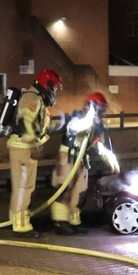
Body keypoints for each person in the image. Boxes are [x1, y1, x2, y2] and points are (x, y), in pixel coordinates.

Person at [51, 92, 119, 235]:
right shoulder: (79, 117)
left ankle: (74, 221)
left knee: (80, 192)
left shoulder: (96, 125)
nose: (103, 112)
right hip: (68, 157)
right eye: (101, 108)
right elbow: (74, 128)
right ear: (92, 106)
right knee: (64, 190)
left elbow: (98, 145)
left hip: (81, 160)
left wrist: (109, 157)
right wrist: (90, 117)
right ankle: (61, 223)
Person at [7, 69, 62, 236]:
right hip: (24, 149)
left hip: (24, 147)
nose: (54, 92)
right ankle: (21, 225)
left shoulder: (35, 98)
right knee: (24, 187)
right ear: (48, 86)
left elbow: (35, 124)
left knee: (23, 186)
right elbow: (25, 123)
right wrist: (34, 144)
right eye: (55, 88)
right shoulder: (32, 98)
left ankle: (14, 218)